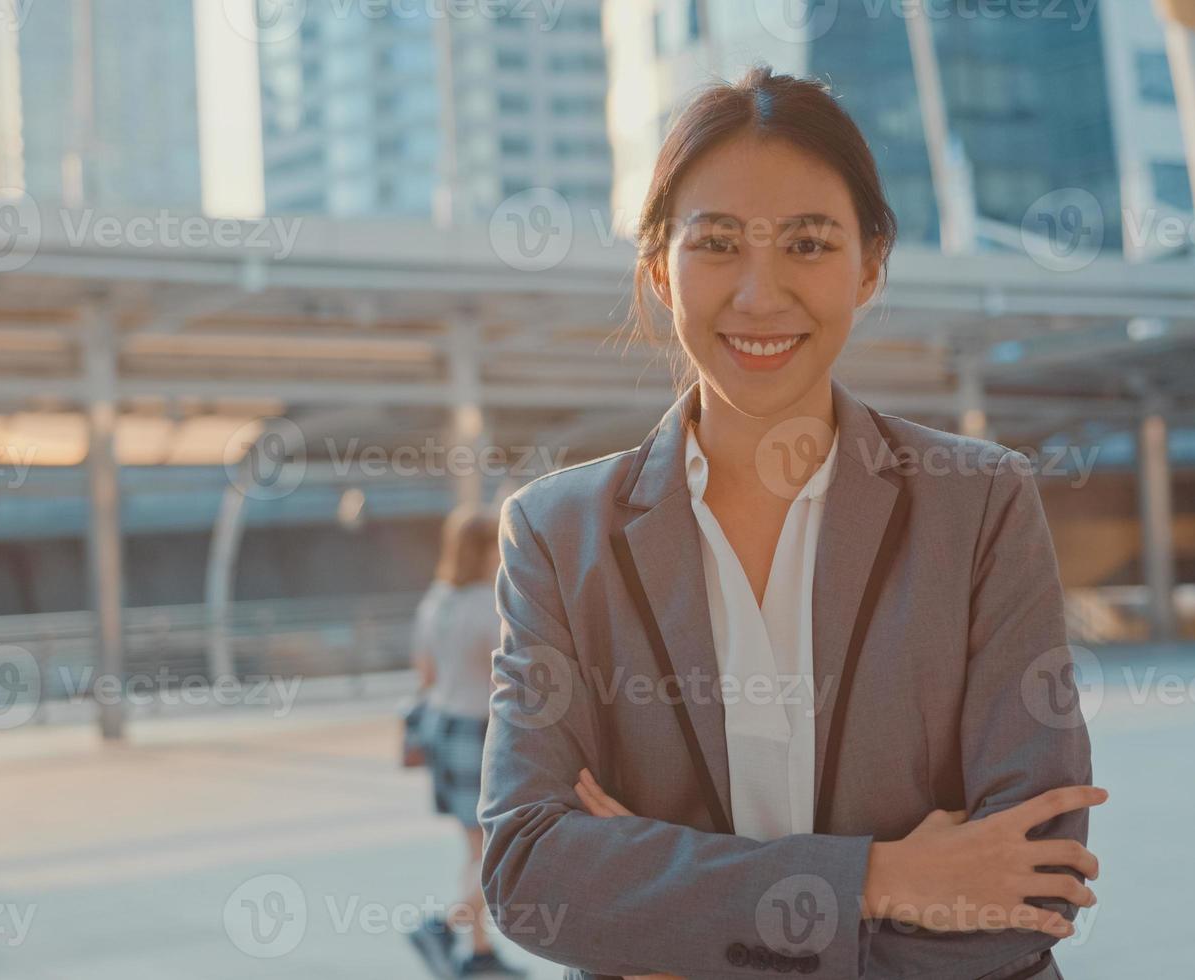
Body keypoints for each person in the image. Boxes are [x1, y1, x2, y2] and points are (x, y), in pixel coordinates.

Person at [478, 66, 1104, 980]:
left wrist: (679, 927)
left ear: (870, 267)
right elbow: (532, 869)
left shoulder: (978, 504)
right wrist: (876, 878)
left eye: (808, 244)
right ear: (660, 268)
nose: (761, 294)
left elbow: (1030, 885)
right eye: (719, 244)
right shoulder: (556, 534)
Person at [405, 507, 522, 978]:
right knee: (499, 850)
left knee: (476, 850)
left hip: (442, 728)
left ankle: (477, 955)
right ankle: (446, 925)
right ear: (485, 550)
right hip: (479, 732)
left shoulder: (436, 602)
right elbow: (512, 677)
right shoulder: (489, 606)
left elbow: (425, 674)